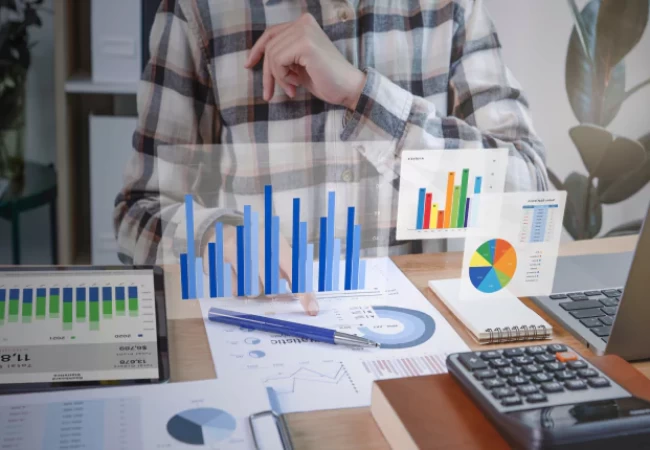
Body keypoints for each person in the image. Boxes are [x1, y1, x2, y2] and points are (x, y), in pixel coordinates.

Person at [114, 0, 549, 315]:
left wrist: (362, 95)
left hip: (416, 347)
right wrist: (216, 238)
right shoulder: (199, 10)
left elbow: (529, 193)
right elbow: (138, 214)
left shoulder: (450, 9)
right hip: (263, 342)